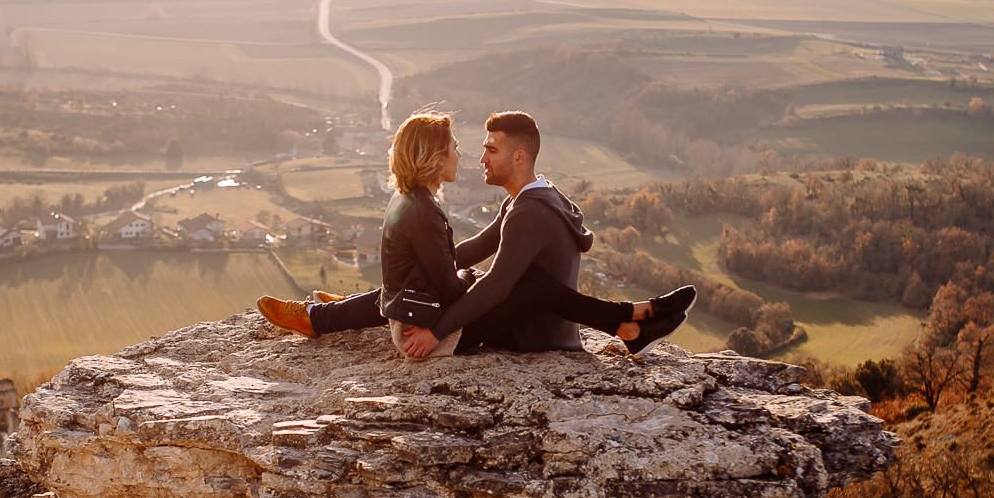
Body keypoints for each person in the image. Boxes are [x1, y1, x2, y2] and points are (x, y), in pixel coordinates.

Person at [256, 110, 693, 358]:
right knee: (472, 283)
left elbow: (480, 281)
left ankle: (633, 320)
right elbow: (465, 256)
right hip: (513, 319)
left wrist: (425, 316)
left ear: (519, 157)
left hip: (530, 332)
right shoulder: (528, 199)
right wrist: (391, 296)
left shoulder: (526, 212)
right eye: (466, 148)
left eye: (490, 149)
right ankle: (633, 319)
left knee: (516, 284)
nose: (475, 157)